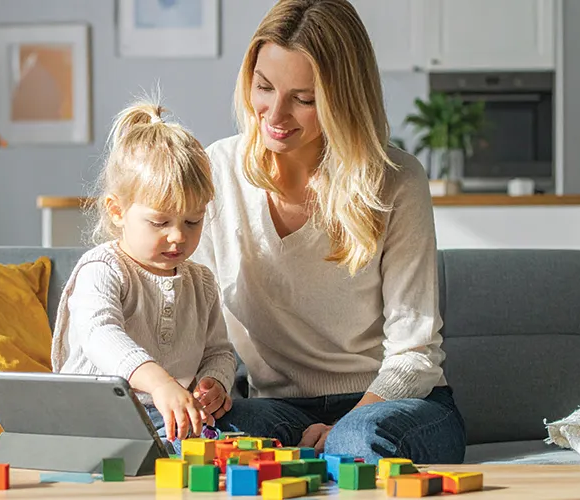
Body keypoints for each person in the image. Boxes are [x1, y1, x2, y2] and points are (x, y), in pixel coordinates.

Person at [190, 0, 466, 464]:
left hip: (391, 405)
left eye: (304, 99)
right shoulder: (216, 172)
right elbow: (198, 324)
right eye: (264, 87)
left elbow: (415, 352)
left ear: (344, 100)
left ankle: (334, 447)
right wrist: (207, 387)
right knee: (206, 437)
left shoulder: (397, 180)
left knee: (354, 443)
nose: (275, 115)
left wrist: (345, 423)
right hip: (279, 408)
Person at [50, 98, 237, 454]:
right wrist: (160, 383)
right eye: (160, 222)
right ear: (117, 211)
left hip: (165, 418)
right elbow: (101, 334)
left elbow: (219, 351)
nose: (178, 235)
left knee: (260, 421)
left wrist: (214, 382)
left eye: (193, 221)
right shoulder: (102, 269)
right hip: (95, 419)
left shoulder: (202, 282)